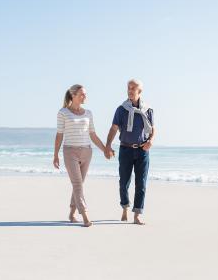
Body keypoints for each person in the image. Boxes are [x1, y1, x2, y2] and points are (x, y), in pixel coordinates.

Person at [53, 84, 110, 227]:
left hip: (86, 152)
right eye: (82, 94)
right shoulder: (63, 112)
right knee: (77, 184)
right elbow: (59, 135)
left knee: (78, 184)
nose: (85, 97)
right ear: (73, 95)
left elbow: (93, 134)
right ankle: (84, 215)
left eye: (85, 94)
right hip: (70, 151)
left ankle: (72, 213)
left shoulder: (88, 113)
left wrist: (104, 149)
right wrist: (55, 155)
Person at [106, 79, 156, 225]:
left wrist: (151, 140)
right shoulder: (121, 109)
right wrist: (108, 146)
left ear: (139, 91)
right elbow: (114, 128)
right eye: (128, 87)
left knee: (141, 184)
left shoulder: (148, 110)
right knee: (124, 182)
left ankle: (137, 214)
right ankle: (124, 208)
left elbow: (153, 129)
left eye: (133, 88)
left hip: (143, 150)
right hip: (125, 149)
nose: (130, 90)